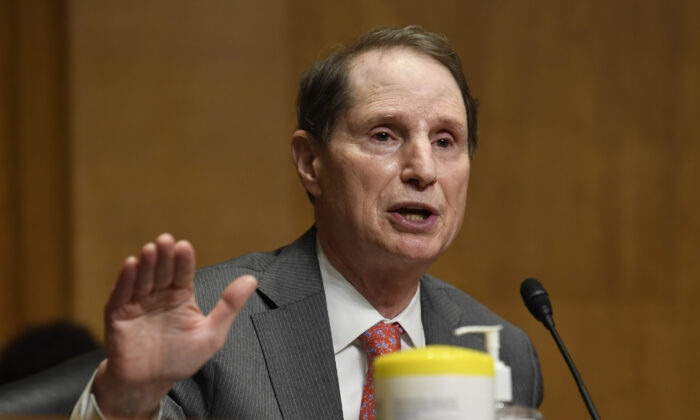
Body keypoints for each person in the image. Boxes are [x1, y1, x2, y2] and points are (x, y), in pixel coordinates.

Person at [72, 25, 543, 420]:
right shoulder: (206, 326)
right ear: (310, 163)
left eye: (445, 141)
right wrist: (126, 400)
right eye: (384, 135)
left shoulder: (503, 351)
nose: (423, 169)